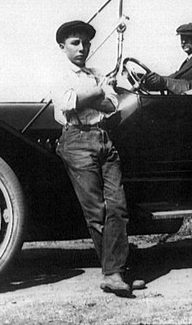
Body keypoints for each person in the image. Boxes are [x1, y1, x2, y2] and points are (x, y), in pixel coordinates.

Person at [52, 20, 143, 297]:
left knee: (118, 206)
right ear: (63, 47)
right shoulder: (59, 73)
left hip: (103, 138)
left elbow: (112, 105)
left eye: (86, 42)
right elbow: (68, 102)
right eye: (75, 43)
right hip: (77, 140)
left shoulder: (95, 73)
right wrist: (99, 91)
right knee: (97, 211)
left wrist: (89, 95)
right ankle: (114, 273)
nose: (82, 48)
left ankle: (116, 271)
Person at [141, 22, 192, 94]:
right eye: (182, 38)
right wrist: (149, 79)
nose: (183, 41)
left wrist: (164, 82)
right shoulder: (188, 61)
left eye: (188, 38)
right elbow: (173, 78)